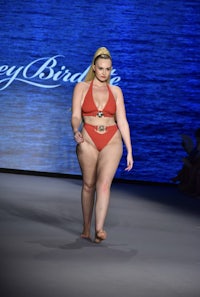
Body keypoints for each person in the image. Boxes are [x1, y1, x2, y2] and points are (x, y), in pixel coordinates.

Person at [71, 47, 134, 243]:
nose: (104, 72)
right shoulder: (81, 87)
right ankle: (85, 228)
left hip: (112, 139)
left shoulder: (116, 91)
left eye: (108, 69)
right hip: (88, 137)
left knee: (104, 184)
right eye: (100, 68)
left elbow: (122, 121)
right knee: (89, 185)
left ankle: (99, 228)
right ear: (94, 67)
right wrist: (75, 131)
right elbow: (75, 115)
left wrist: (130, 150)